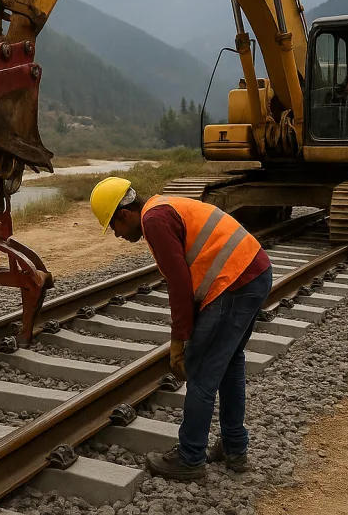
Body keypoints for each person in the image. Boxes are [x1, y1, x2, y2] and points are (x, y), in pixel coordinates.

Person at [89, 177, 273, 481]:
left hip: (234, 282)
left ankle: (191, 457)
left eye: (114, 228)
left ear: (124, 214)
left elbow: (179, 286)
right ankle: (234, 446)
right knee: (229, 364)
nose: (117, 236)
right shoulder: (162, 207)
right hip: (254, 272)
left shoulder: (155, 220)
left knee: (200, 371)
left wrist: (180, 341)